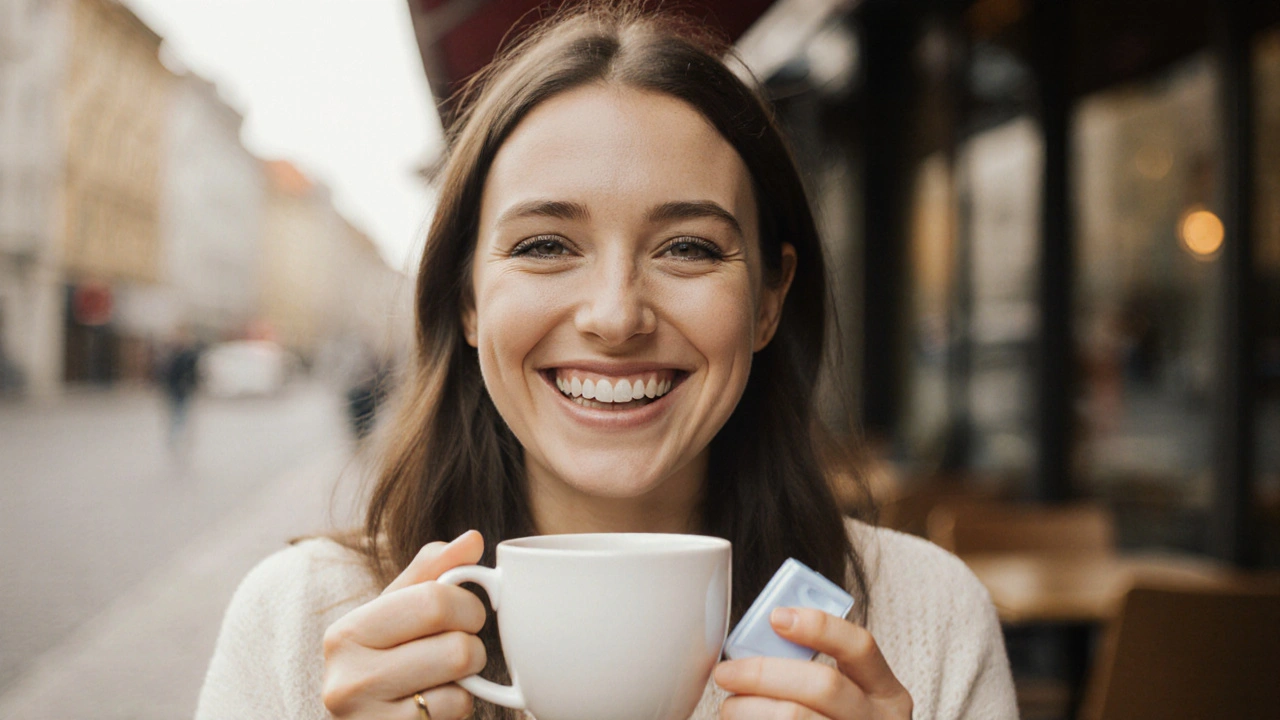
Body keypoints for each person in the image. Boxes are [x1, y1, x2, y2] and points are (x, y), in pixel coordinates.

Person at [195, 4, 1017, 719]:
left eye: (689, 247)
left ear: (768, 299)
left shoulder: (926, 620)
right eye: (546, 245)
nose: (617, 315)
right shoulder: (303, 622)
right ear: (469, 298)